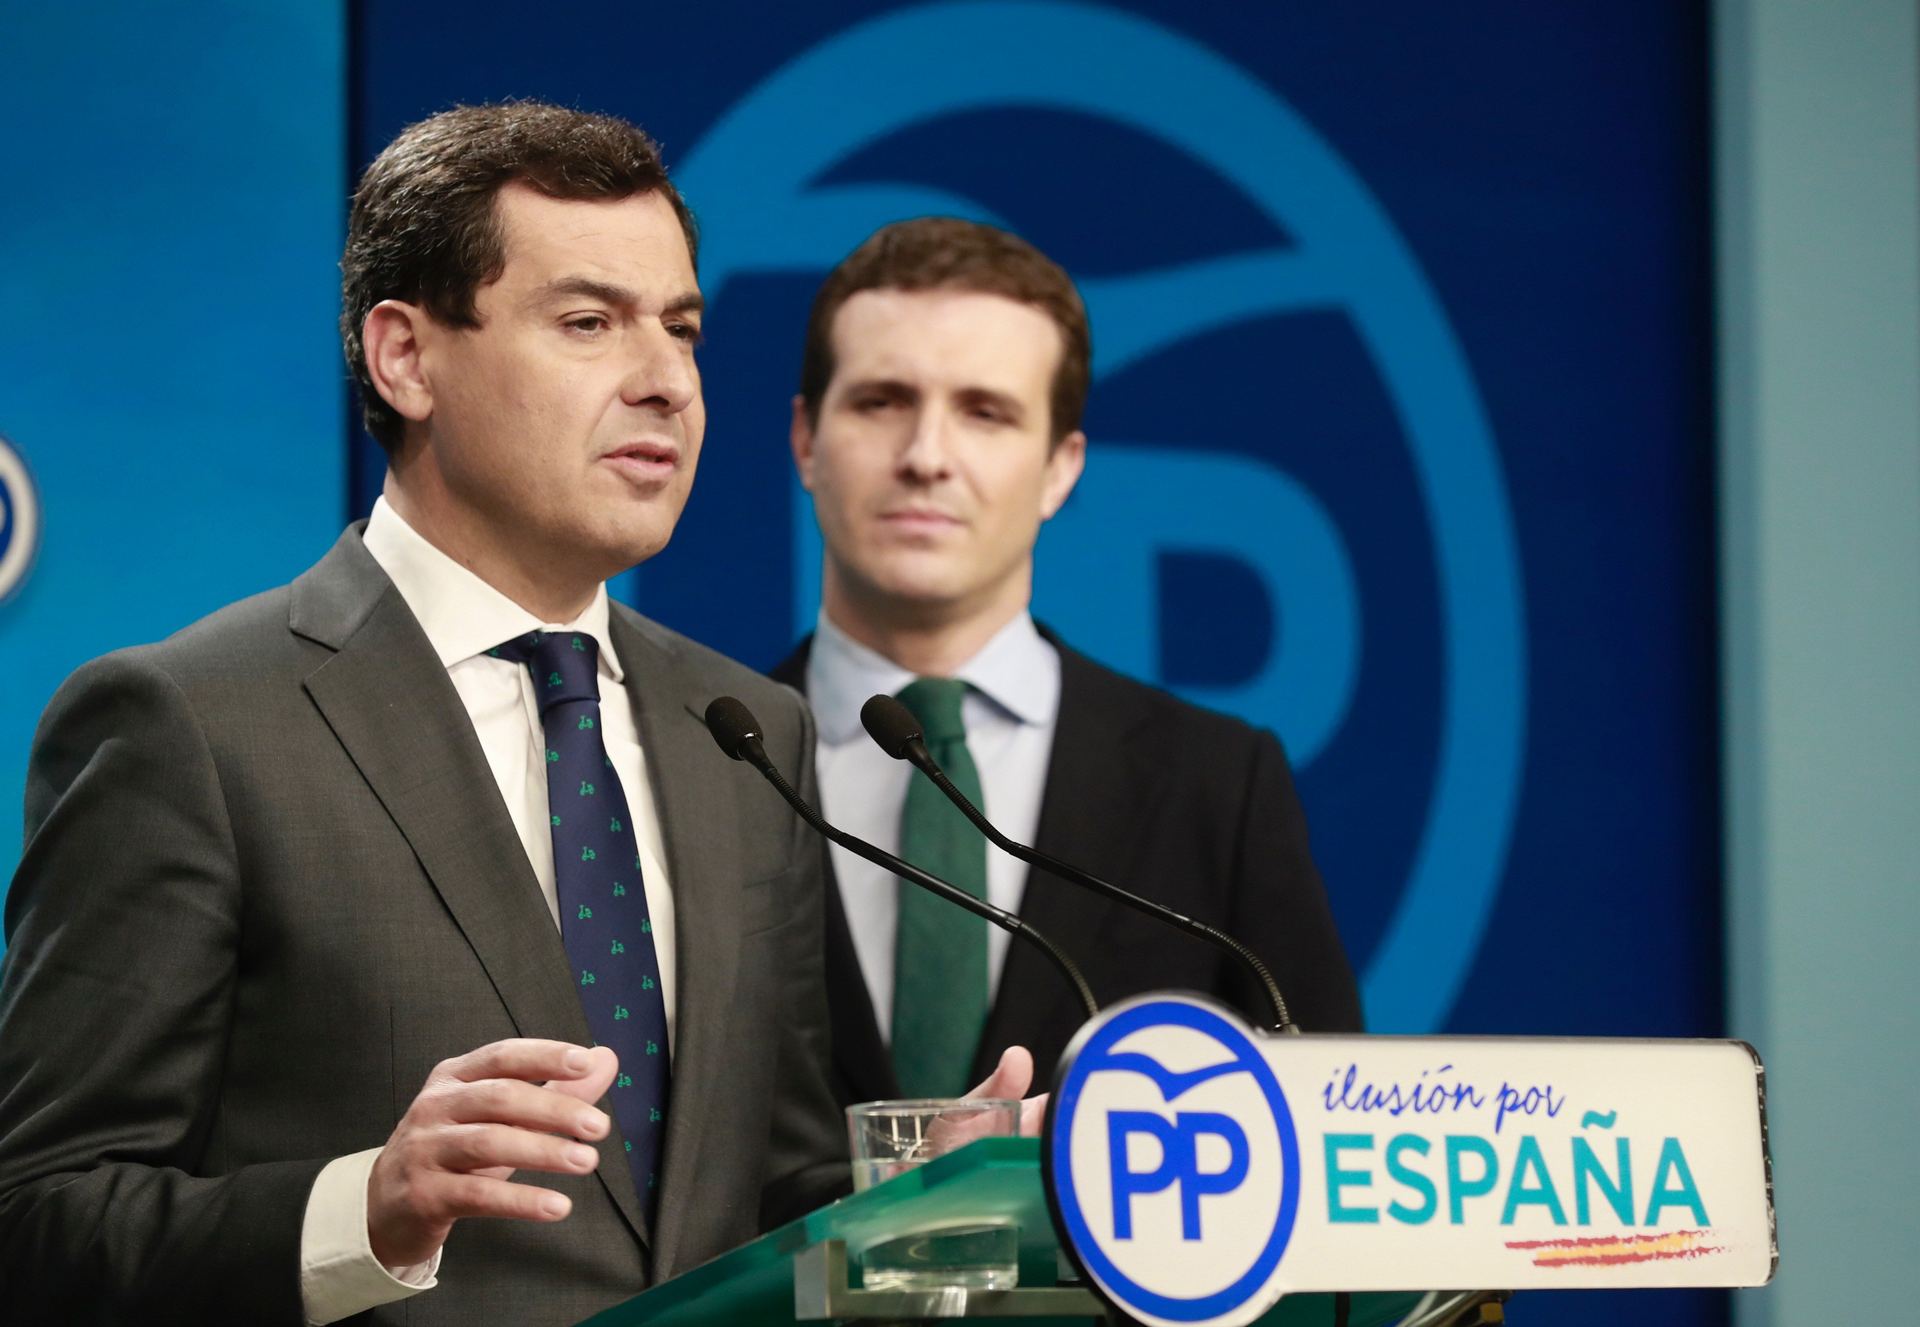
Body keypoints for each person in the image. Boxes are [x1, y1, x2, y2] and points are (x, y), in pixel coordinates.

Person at [0, 106, 1033, 1326]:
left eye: (682, 330)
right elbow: (37, 1217)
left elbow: (741, 1197)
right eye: (589, 323)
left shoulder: (745, 728)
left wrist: (912, 1194)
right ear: (406, 358)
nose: (666, 382)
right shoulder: (196, 725)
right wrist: (362, 1212)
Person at [773, 217, 1365, 1110]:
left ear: (1061, 467)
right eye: (882, 401)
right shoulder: (703, 760)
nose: (927, 457)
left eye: (985, 412)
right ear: (807, 440)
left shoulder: (1214, 784)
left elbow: (1322, 1122)